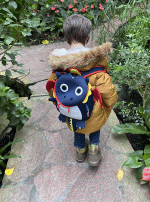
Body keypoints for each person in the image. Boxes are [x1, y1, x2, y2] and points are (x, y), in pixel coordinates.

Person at [47, 14, 118, 167]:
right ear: (87, 38)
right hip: (93, 111)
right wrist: (110, 103)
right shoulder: (96, 64)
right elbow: (108, 91)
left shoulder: (60, 66)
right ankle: (93, 150)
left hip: (72, 111)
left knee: (77, 125)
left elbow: (52, 88)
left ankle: (80, 150)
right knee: (95, 120)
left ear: (66, 38)